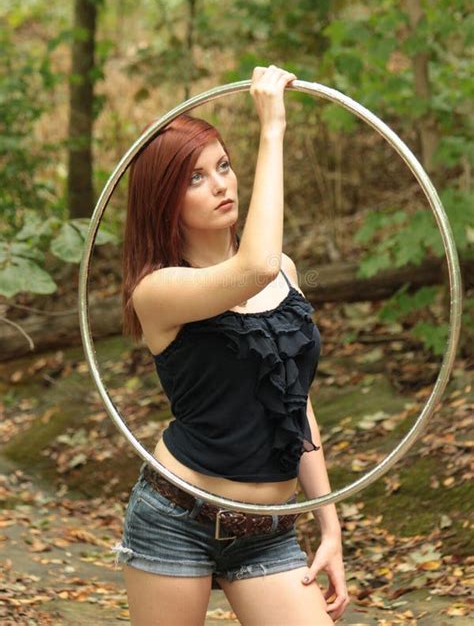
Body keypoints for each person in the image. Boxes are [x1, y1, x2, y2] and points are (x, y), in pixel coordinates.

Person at [113, 65, 349, 625]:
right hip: (177, 518)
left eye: (223, 166)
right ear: (164, 202)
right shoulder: (158, 291)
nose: (221, 184)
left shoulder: (284, 272)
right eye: (195, 179)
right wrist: (272, 128)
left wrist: (329, 521)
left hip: (268, 532)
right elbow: (254, 267)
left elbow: (295, 402)